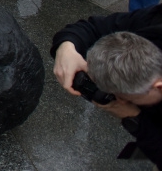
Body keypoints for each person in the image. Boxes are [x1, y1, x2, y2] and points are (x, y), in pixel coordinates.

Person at [52, 9, 162, 167]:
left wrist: (134, 117)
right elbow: (93, 27)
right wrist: (66, 47)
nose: (119, 101)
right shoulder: (151, 22)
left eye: (125, 97)